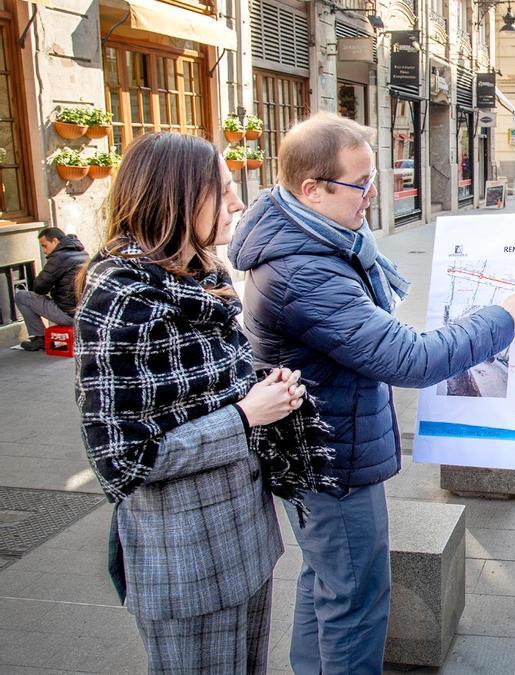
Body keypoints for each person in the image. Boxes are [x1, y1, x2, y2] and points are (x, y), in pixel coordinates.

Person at [228, 113, 515, 675]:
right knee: (355, 598)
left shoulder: (317, 240)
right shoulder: (304, 271)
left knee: (326, 583)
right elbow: (410, 359)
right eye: (361, 183)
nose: (375, 194)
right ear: (312, 190)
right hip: (331, 462)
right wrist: (500, 317)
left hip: (321, 450)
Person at [75, 132, 333, 673]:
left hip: (245, 540)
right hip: (184, 558)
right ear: (174, 196)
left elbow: (207, 388)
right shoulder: (122, 296)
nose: (239, 204)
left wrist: (269, 390)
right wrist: (245, 416)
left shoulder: (201, 275)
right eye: (224, 189)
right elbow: (122, 461)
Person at [12, 227, 88, 351]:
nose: (44, 251)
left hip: (68, 314)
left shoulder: (59, 257)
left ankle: (39, 338)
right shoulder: (82, 253)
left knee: (22, 296)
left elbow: (39, 287)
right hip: (83, 313)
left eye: (44, 246)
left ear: (55, 241)